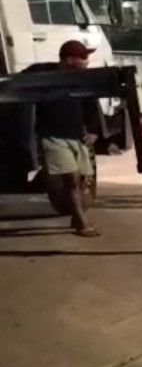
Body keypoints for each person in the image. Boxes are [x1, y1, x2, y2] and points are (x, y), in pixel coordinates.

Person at [34, 40, 101, 237]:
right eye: (83, 57)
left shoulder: (82, 81)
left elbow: (91, 106)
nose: (86, 62)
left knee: (81, 178)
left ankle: (75, 214)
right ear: (69, 59)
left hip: (76, 137)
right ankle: (82, 222)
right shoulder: (43, 75)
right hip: (52, 135)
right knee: (71, 179)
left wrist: (94, 131)